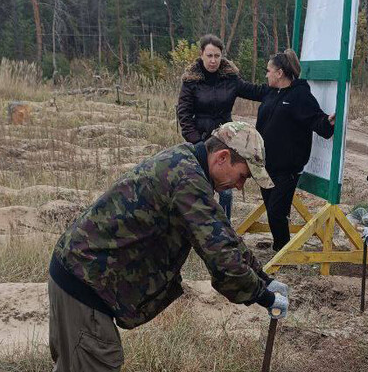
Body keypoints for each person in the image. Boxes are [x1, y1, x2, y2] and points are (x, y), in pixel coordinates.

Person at [48, 122, 289, 371]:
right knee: (97, 361)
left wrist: (263, 279)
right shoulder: (188, 180)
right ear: (222, 157)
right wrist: (263, 296)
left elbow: (222, 233)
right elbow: (222, 258)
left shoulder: (187, 162)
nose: (240, 186)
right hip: (84, 285)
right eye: (243, 176)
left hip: (81, 275)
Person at [177, 34, 267, 220]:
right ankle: (200, 225)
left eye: (217, 56)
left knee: (226, 187)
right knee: (201, 186)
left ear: (222, 56)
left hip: (226, 140)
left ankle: (225, 226)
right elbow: (184, 114)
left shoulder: (230, 78)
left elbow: (254, 91)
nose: (213, 60)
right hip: (200, 140)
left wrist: (279, 88)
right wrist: (196, 141)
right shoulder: (191, 81)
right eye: (209, 55)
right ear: (202, 54)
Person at [255, 49, 335, 251]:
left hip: (287, 169)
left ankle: (282, 252)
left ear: (280, 72)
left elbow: (316, 119)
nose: (267, 74)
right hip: (266, 165)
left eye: (268, 71)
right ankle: (279, 248)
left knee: (276, 212)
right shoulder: (272, 93)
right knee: (273, 210)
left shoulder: (300, 95)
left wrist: (328, 122)